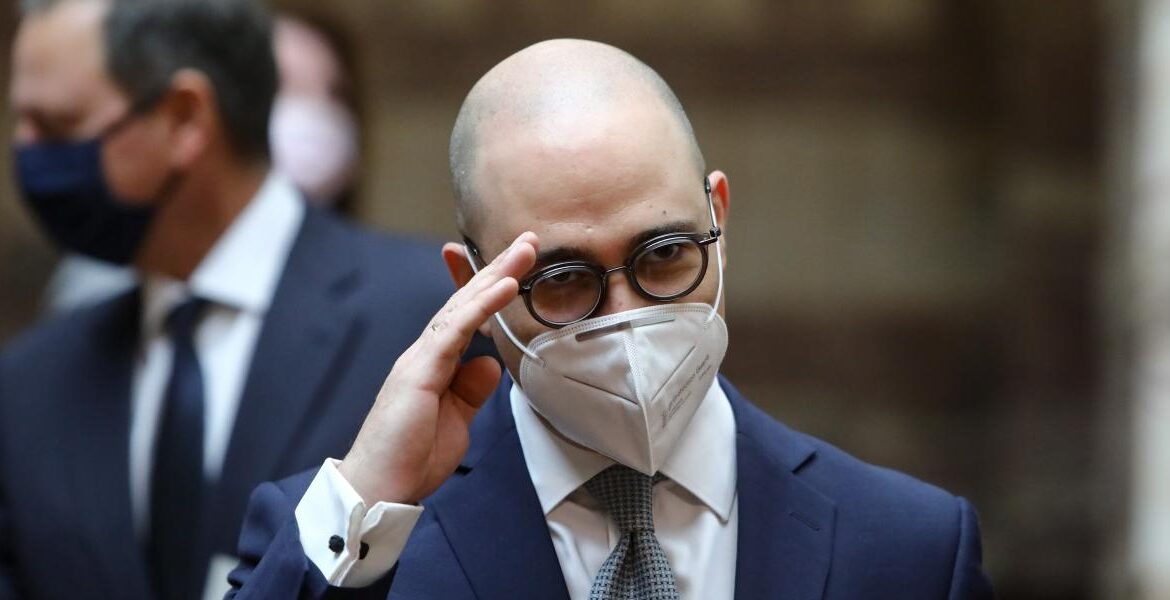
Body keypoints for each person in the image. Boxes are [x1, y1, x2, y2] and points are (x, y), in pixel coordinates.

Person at [228, 39, 996, 599]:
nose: (626, 319)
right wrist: (365, 503)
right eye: (563, 280)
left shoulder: (908, 547)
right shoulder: (355, 544)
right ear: (473, 285)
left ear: (718, 217)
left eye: (664, 256)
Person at [0, 1, 487, 599]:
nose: (25, 152)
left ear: (184, 119)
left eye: (56, 127)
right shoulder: (29, 384)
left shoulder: (436, 321)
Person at [39, 7, 364, 315]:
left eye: (334, 92)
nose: (316, 114)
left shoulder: (380, 287)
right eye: (284, 85)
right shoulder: (103, 285)